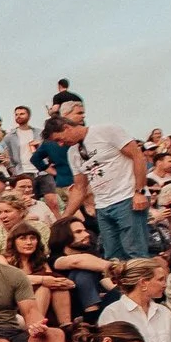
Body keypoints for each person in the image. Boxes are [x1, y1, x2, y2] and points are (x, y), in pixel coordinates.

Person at [50, 102, 151, 260]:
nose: (60, 144)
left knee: (135, 252)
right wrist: (64, 218)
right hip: (103, 205)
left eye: (59, 139)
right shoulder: (73, 153)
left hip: (126, 198)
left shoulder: (106, 130)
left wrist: (139, 192)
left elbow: (137, 156)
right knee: (112, 256)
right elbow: (79, 188)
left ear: (66, 128)